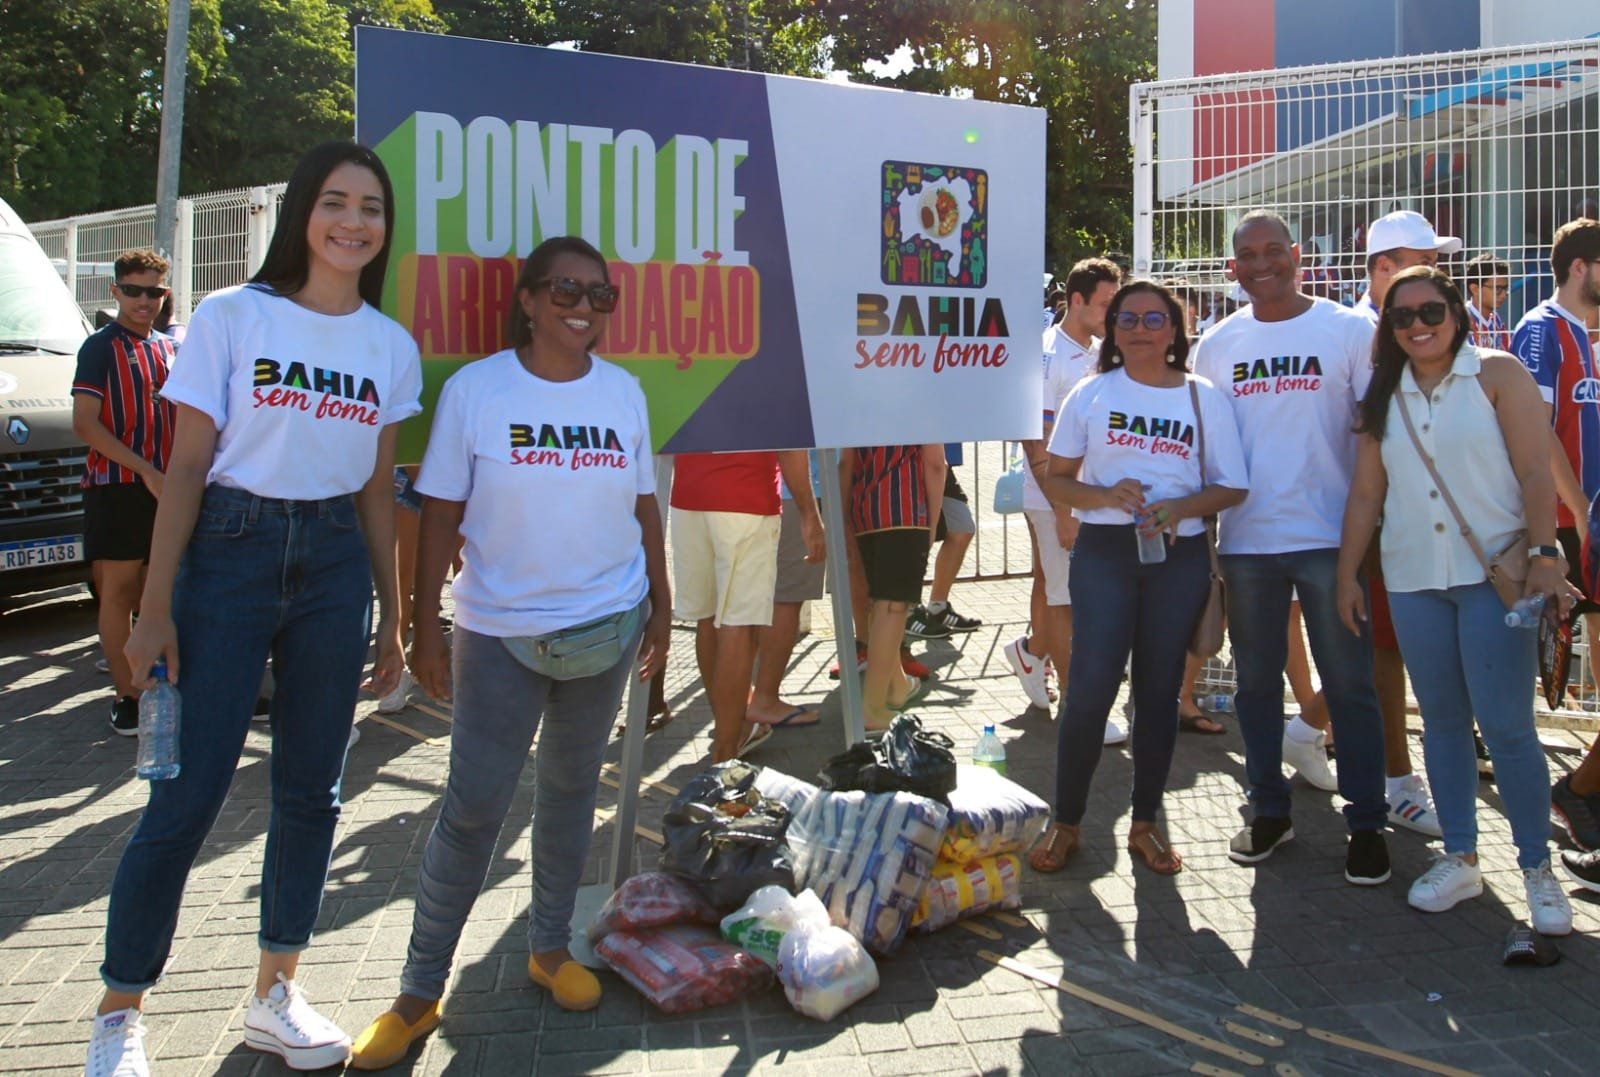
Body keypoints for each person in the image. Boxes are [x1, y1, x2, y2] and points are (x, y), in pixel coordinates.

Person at [88, 142, 422, 1077]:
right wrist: (154, 610)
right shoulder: (234, 316)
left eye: (371, 208)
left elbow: (373, 490)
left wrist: (391, 616)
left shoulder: (389, 345)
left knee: (312, 790)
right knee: (186, 795)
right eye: (335, 202)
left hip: (333, 570)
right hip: (225, 556)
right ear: (301, 213)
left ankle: (276, 991)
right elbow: (187, 466)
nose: (354, 222)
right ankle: (120, 1010)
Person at [349, 236, 671, 1068]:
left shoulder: (625, 393)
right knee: (474, 809)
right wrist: (425, 626)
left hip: (607, 628)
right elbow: (438, 516)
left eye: (601, 295)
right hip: (497, 635)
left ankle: (550, 947)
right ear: (528, 299)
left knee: (568, 796)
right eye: (566, 288)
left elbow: (645, 511)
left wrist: (663, 610)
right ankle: (419, 992)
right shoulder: (476, 391)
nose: (584, 305)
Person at [1336, 265, 1575, 934]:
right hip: (1414, 576)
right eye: (1402, 315)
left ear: (1456, 313)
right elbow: (1365, 494)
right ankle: (1461, 856)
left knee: (1507, 729)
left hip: (1493, 575)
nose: (1417, 325)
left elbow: (1535, 471)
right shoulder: (1384, 394)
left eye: (1430, 311)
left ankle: (1537, 868)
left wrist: (1547, 555)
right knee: (1440, 722)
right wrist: (1346, 572)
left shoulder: (1497, 375)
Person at [1191, 211, 1394, 884]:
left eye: (1274, 250)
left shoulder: (1346, 329)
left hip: (1332, 541)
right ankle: (1269, 809)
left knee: (1349, 685)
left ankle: (1366, 821)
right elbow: (1205, 449)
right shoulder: (1216, 344)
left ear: (1298, 255)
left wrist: (1364, 541)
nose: (1262, 263)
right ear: (1232, 268)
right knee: (1254, 685)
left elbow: (1374, 437)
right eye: (1247, 254)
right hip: (1248, 543)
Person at [1028, 280, 1248, 875]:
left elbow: (1233, 485)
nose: (1142, 329)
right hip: (1105, 550)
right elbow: (1057, 478)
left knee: (1157, 690)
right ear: (1114, 328)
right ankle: (1065, 821)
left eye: (1155, 319)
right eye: (1129, 318)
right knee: (1091, 688)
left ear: (1174, 330)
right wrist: (1102, 494)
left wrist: (1178, 508)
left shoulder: (1204, 398)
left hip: (1178, 555)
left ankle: (1145, 823)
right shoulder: (1090, 393)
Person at [1352, 209, 1460, 836]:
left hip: (1426, 523)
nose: (1440, 274)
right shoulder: (1353, 333)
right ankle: (1397, 780)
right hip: (1373, 524)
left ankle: (1308, 728)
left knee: (1390, 652)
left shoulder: (1430, 329)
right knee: (1383, 651)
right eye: (1428, 261)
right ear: (1384, 268)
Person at [1006, 257, 1126, 741]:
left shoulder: (1099, 351)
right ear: (1076, 301)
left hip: (1087, 497)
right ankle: (1081, 709)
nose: (1112, 312)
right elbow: (1036, 437)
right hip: (1054, 497)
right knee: (1065, 596)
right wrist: (1062, 510)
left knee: (1055, 587)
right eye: (1105, 303)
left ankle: (1031, 653)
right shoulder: (1047, 355)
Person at [1509, 217, 1600, 849]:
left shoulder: (1583, 336)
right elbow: (1533, 430)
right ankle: (1572, 795)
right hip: (1569, 533)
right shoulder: (1541, 330)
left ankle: (1579, 795)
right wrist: (1581, 513)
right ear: (1580, 267)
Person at [71, 249, 177, 736]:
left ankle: (166, 686)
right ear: (115, 291)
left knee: (162, 592)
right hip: (116, 489)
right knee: (119, 593)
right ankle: (127, 696)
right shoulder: (99, 347)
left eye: (153, 291)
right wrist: (144, 469)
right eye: (133, 290)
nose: (143, 300)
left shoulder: (169, 347)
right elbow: (85, 425)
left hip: (166, 490)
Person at [671, 449, 822, 759]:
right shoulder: (775, 395)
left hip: (689, 493)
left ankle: (731, 735)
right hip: (748, 495)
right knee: (737, 625)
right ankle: (725, 757)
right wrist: (809, 513)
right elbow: (789, 442)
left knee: (708, 619)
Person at [843, 443, 944, 729]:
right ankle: (872, 708)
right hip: (905, 508)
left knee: (882, 604)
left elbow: (845, 463)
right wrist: (933, 523)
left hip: (864, 507)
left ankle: (897, 687)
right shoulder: (916, 400)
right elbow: (935, 463)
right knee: (894, 606)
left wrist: (843, 520)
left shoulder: (855, 399)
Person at [748, 454, 827, 728]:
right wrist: (810, 515)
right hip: (793, 489)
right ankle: (764, 699)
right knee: (785, 599)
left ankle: (746, 699)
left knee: (753, 598)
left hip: (752, 489)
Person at [907, 448, 983, 640]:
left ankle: (937, 607)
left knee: (963, 527)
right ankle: (905, 611)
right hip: (904, 464)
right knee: (912, 538)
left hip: (938, 460)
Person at [1463, 252, 1512, 351]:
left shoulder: (1496, 319)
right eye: (1497, 289)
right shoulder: (1462, 321)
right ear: (1475, 289)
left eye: (1505, 289)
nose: (1503, 295)